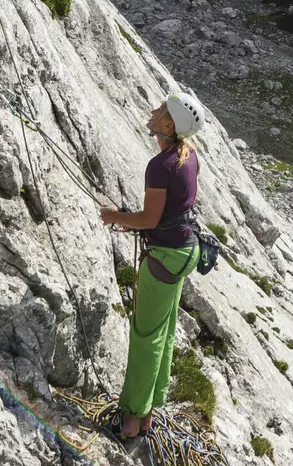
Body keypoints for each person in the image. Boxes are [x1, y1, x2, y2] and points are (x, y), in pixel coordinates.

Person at [98, 91, 207, 439]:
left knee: (145, 336)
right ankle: (147, 413)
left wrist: (114, 216)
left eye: (161, 110)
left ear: (169, 124)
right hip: (184, 251)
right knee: (163, 329)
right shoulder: (187, 157)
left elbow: (149, 217)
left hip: (165, 256)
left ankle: (130, 420)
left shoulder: (160, 166)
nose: (153, 110)